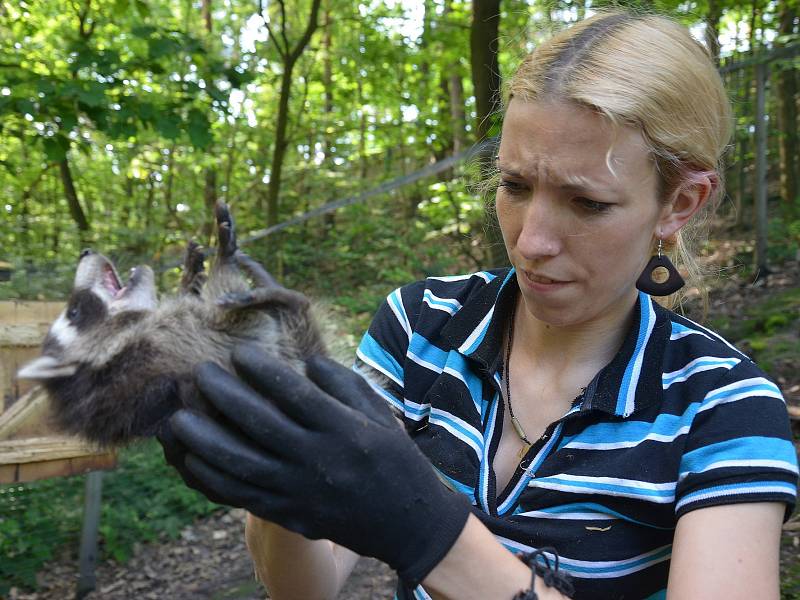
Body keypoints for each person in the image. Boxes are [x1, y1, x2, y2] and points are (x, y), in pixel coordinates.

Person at [159, 10, 799, 600]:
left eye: (587, 203)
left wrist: (429, 531)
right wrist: (278, 471)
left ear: (679, 203)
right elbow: (308, 588)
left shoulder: (722, 411)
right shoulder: (420, 330)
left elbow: (421, 529)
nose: (530, 240)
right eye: (514, 186)